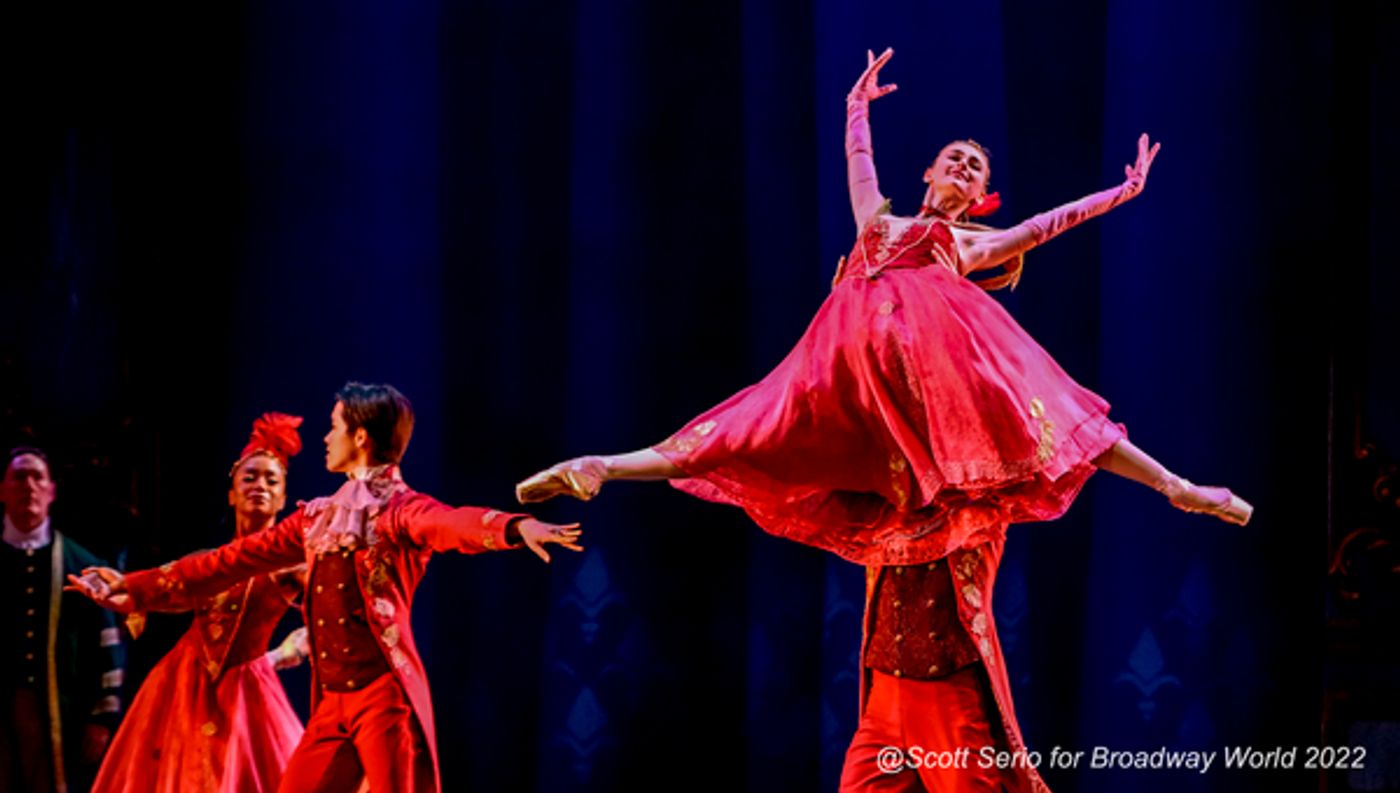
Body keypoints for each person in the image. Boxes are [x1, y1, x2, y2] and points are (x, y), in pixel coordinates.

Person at [515, 49, 1250, 793]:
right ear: (928, 172)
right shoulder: (881, 221)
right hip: (843, 371)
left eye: (975, 168)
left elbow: (1041, 226)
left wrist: (1119, 194)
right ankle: (604, 464)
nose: (962, 168)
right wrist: (855, 109)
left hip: (927, 382)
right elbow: (859, 169)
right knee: (740, 429)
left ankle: (1176, 483)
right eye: (951, 159)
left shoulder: (964, 245)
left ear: (981, 197)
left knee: (1053, 412)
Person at [69, 382, 583, 793]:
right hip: (333, 702)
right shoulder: (318, 518)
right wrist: (134, 588)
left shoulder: (399, 511)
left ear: (360, 436)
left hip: (383, 699)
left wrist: (513, 528)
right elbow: (230, 561)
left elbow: (451, 525)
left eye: (334, 426)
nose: (325, 437)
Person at [92, 412, 313, 793]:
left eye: (271, 480)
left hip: (245, 688)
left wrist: (284, 651)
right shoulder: (210, 558)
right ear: (232, 493)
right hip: (182, 682)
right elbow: (174, 592)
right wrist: (119, 595)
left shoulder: (291, 565)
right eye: (250, 477)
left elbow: (331, 607)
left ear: (283, 496)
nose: (259, 485)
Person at [1, 446, 125, 793]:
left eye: (37, 477)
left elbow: (108, 644)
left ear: (51, 491)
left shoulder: (80, 565)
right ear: (2, 489)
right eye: (19, 477)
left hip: (59, 712)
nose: (28, 486)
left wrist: (102, 718)